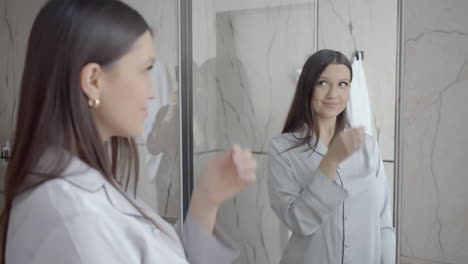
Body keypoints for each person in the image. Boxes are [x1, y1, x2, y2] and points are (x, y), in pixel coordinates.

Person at [0, 0, 257, 263]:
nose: (152, 91)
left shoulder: (86, 192)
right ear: (93, 81)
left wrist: (206, 198)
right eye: (146, 70)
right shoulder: (73, 218)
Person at [267, 49, 395, 264]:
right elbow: (299, 222)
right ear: (307, 87)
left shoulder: (369, 147)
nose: (333, 94)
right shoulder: (282, 149)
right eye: (323, 83)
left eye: (343, 84)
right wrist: (331, 161)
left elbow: (383, 222)